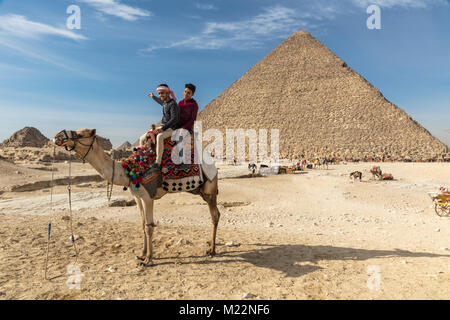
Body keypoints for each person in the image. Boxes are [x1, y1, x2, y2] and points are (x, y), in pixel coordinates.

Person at [144, 84, 180, 171]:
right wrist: (153, 97)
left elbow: (174, 119)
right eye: (159, 93)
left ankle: (158, 162)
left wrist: (162, 129)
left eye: (162, 93)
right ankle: (145, 157)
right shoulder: (165, 103)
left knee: (160, 136)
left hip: (173, 128)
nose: (160, 95)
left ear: (167, 93)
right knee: (145, 135)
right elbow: (159, 101)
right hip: (164, 126)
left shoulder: (172, 104)